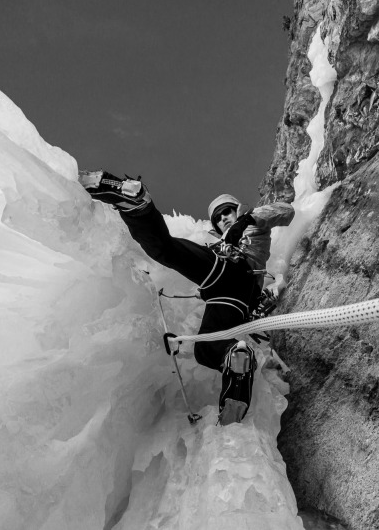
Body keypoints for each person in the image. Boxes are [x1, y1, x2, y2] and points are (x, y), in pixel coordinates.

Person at [79, 169, 294, 424]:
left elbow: (286, 211)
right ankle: (235, 367)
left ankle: (137, 206)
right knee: (205, 350)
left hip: (237, 270)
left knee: (166, 249)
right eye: (218, 217)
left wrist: (247, 220)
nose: (224, 218)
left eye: (228, 211)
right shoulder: (222, 241)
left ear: (237, 210)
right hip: (230, 298)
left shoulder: (251, 224)